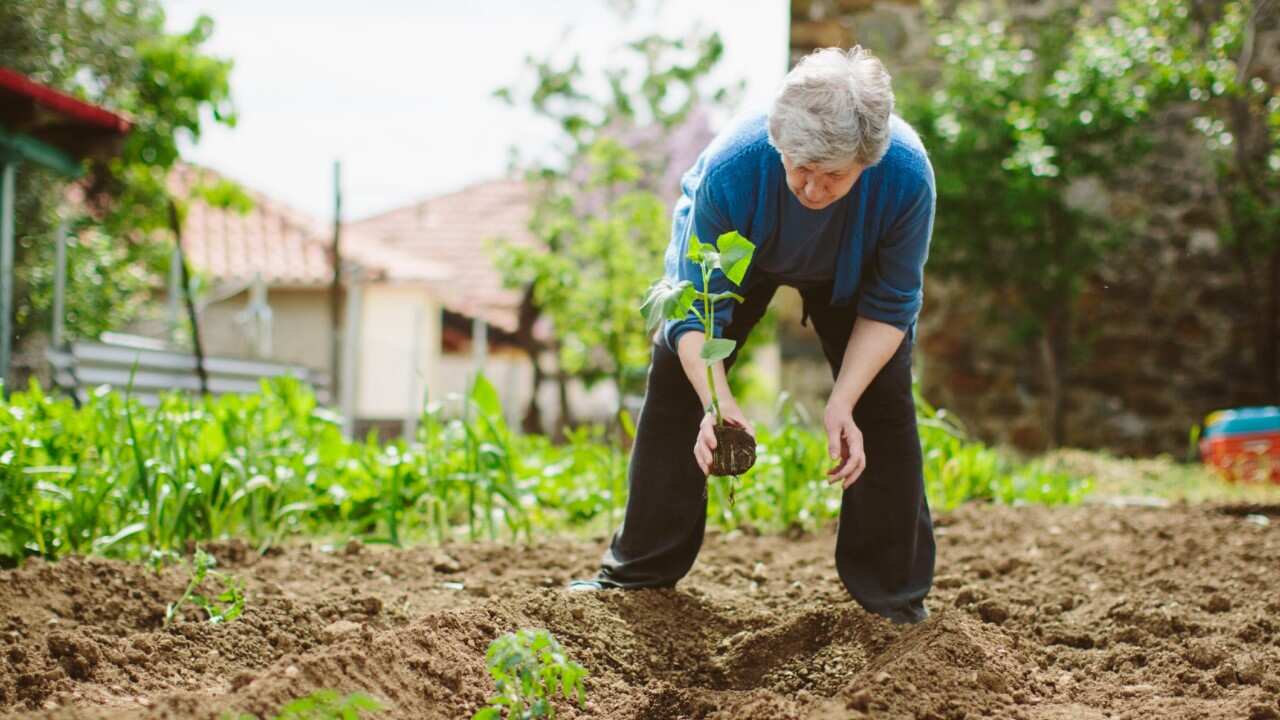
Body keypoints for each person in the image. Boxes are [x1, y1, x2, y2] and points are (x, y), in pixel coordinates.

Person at [569, 46, 936, 624]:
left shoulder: (906, 178)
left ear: (867, 162)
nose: (812, 191)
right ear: (778, 144)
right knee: (678, 386)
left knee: (881, 408)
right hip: (737, 262)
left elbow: (892, 305)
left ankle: (892, 599)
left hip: (852, 267)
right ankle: (638, 575)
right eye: (800, 169)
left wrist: (843, 401)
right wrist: (718, 403)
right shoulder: (734, 168)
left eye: (833, 176)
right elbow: (690, 312)